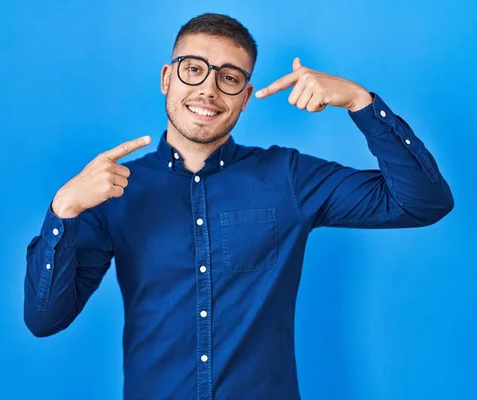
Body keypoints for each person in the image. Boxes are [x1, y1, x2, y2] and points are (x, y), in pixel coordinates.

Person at [23, 12, 454, 400]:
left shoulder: (288, 176)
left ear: (245, 96)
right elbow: (45, 320)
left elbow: (422, 202)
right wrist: (63, 211)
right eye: (193, 70)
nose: (208, 90)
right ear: (166, 79)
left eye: (228, 78)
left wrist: (361, 102)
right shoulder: (115, 190)